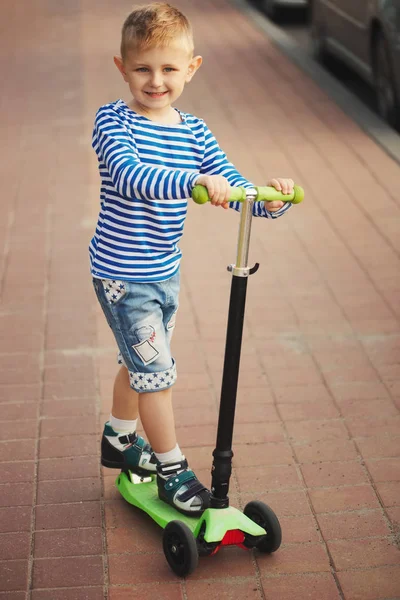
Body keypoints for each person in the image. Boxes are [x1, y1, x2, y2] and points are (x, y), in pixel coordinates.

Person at [90, 2, 295, 517]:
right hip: (122, 273)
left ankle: (118, 439)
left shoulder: (196, 131)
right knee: (157, 374)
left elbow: (229, 183)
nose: (155, 80)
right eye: (142, 68)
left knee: (138, 362)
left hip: (163, 271)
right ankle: (172, 469)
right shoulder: (113, 122)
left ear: (191, 68)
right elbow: (131, 175)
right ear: (122, 67)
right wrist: (192, 182)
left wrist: (265, 199)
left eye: (168, 69)